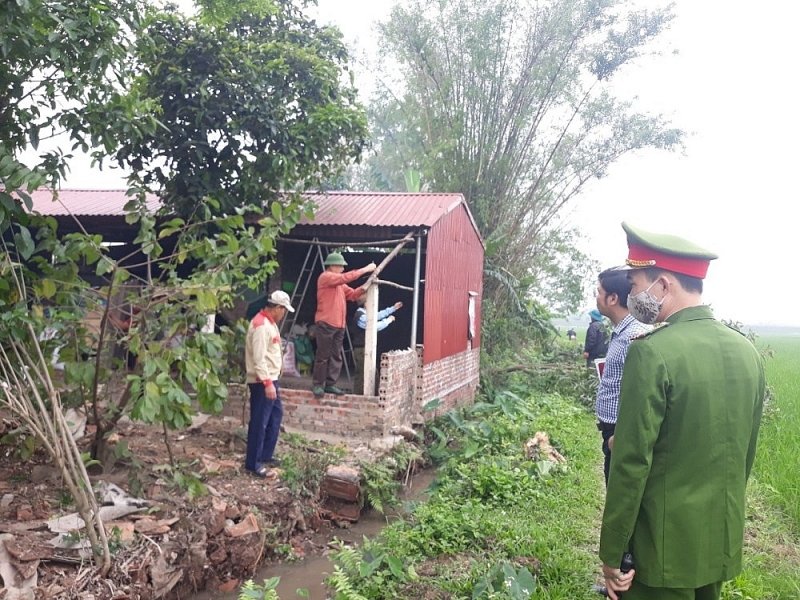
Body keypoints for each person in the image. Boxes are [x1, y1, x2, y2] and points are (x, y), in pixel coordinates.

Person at [599, 222, 765, 600]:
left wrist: (612, 553)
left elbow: (630, 462)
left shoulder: (652, 352)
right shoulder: (747, 353)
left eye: (637, 284)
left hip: (660, 550)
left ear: (663, 285)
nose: (634, 294)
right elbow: (743, 456)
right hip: (716, 542)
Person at [592, 267, 650, 485]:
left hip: (620, 432)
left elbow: (643, 393)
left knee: (621, 497)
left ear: (613, 298)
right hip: (612, 431)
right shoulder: (622, 332)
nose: (596, 298)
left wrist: (623, 437)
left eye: (599, 292)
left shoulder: (633, 337)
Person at [244, 290, 295, 479]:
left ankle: (265, 455)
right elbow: (258, 359)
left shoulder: (270, 323)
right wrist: (267, 383)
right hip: (262, 381)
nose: (284, 315)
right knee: (260, 421)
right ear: (278, 308)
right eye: (284, 311)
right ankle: (253, 464)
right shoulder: (261, 325)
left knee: (274, 416)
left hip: (271, 380)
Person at [312, 252, 376, 398]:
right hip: (326, 322)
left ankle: (330, 384)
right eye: (340, 266)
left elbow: (353, 294)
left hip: (339, 324)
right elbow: (345, 277)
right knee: (323, 355)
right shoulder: (326, 277)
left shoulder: (339, 285)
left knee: (336, 356)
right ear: (332, 266)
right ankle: (318, 384)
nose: (342, 269)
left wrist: (365, 287)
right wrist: (366, 269)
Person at [348, 298, 403, 394]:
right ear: (365, 303)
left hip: (365, 348)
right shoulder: (361, 316)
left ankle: (373, 397)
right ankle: (358, 398)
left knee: (373, 374)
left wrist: (392, 309)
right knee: (362, 375)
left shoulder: (365, 314)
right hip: (361, 349)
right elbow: (374, 326)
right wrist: (388, 320)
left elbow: (377, 315)